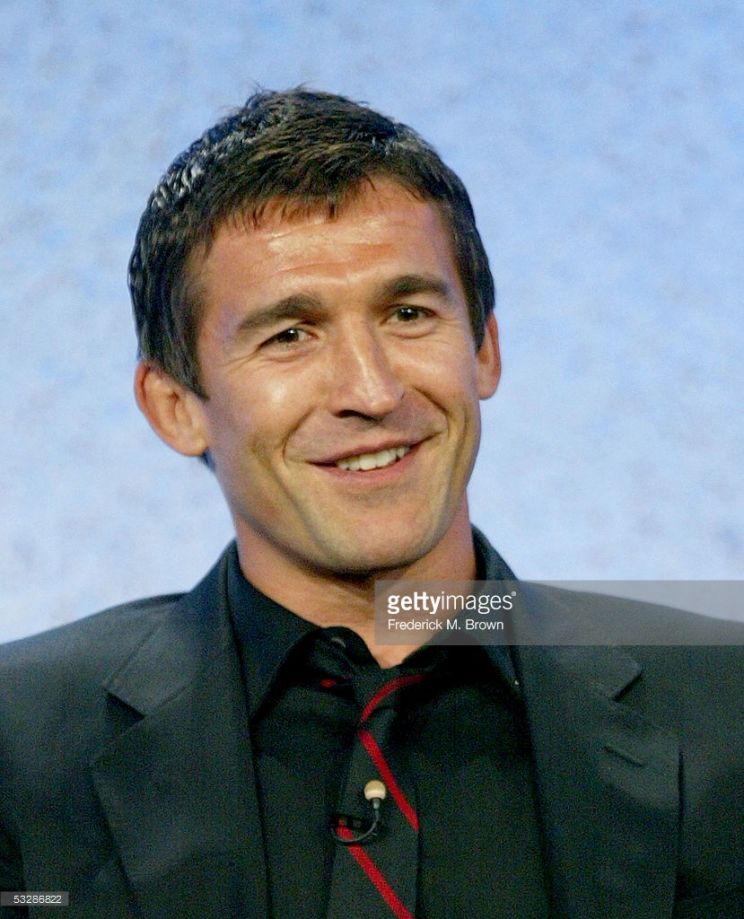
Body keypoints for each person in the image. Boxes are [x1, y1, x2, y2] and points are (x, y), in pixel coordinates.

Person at [1, 89, 742, 919]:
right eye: (289, 334)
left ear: (485, 349)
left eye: (408, 313)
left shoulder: (728, 706)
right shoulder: (18, 743)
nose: (373, 389)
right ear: (175, 406)